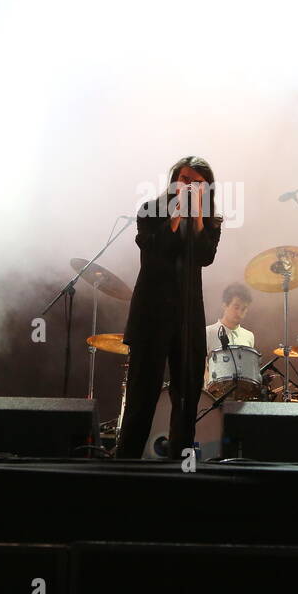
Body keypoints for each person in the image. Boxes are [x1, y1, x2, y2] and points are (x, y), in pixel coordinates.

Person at [116, 157, 222, 460]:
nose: (189, 186)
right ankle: (125, 465)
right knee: (141, 397)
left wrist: (198, 217)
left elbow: (205, 256)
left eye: (197, 182)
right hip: (151, 314)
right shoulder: (149, 211)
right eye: (184, 179)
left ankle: (180, 469)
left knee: (187, 400)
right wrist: (177, 214)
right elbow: (155, 249)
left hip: (188, 317)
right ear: (173, 181)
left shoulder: (212, 221)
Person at [206, 282, 255, 353]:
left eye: (244, 308)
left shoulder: (249, 336)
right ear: (225, 305)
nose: (239, 312)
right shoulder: (208, 333)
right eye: (236, 307)